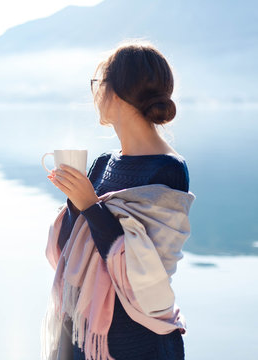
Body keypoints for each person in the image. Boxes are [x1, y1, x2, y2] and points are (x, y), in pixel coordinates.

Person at [47, 40, 188, 359]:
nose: (94, 94)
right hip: (86, 335)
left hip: (137, 342)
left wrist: (90, 207)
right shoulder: (102, 163)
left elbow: (143, 273)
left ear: (117, 93)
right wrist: (74, 200)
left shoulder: (167, 170)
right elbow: (69, 254)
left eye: (97, 83)